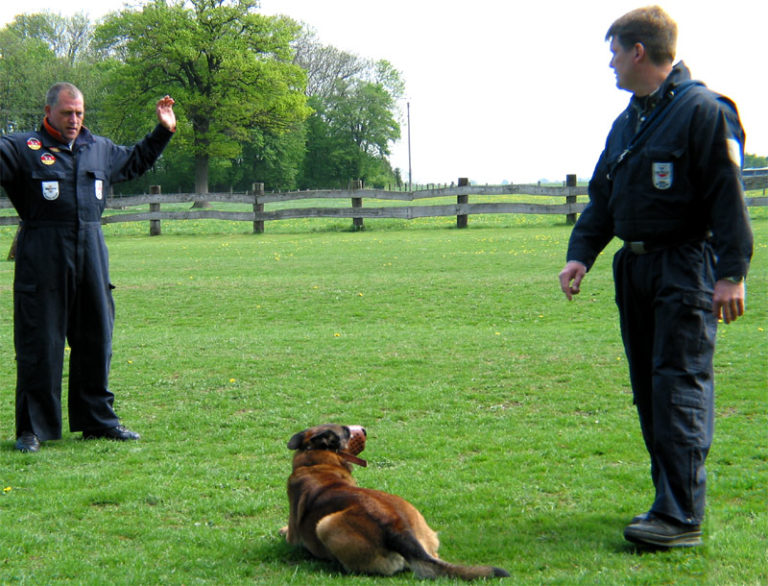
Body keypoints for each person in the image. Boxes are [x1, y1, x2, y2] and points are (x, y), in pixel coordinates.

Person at [558, 6, 753, 548]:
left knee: (678, 384)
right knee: (649, 388)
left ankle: (681, 516)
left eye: (615, 52)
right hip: (637, 268)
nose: (612, 64)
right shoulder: (631, 120)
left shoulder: (703, 112)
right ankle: (666, 497)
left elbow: (726, 197)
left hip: (685, 266)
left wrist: (731, 272)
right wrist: (582, 254)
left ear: (638, 51)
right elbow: (604, 196)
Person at [0, 82, 176, 453]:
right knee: (40, 343)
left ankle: (98, 421)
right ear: (48, 112)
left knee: (96, 338)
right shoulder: (22, 149)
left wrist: (163, 131)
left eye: (79, 113)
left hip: (91, 252)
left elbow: (137, 160)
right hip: (43, 254)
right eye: (67, 113)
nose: (74, 120)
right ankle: (33, 429)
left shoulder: (99, 149)